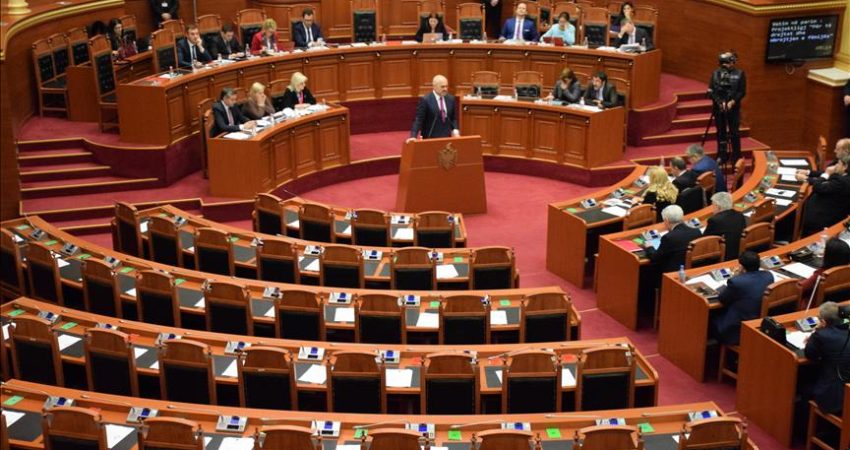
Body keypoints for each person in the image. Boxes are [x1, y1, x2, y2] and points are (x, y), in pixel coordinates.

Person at [711, 251, 775, 345]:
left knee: (709, 316)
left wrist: (735, 277)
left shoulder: (736, 282)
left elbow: (722, 299)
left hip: (736, 331)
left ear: (741, 267)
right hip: (759, 325)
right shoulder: (768, 276)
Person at [804, 301, 850, 415]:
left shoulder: (821, 335)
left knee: (802, 384)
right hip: (847, 390)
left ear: (823, 322)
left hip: (834, 398)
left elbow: (810, 354)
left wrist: (816, 332)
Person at [708, 51, 746, 164]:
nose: (727, 65)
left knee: (734, 132)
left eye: (729, 62)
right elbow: (711, 91)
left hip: (733, 109)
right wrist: (720, 102)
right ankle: (722, 155)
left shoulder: (740, 74)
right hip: (719, 108)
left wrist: (732, 102)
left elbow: (741, 92)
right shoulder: (715, 74)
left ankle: (736, 156)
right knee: (721, 132)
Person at [799, 154, 850, 237]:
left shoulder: (841, 181)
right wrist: (807, 179)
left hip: (822, 219)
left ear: (845, 166)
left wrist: (827, 173)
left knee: (796, 212)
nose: (836, 166)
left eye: (838, 163)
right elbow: (826, 185)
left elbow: (817, 187)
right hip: (833, 213)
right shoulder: (844, 178)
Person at [643, 205, 702, 275]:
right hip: (693, 270)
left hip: (671, 274)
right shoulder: (696, 231)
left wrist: (649, 247)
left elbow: (655, 258)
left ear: (666, 221)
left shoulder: (668, 238)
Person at [408, 74, 460, 141]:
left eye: (446, 86)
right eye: (442, 87)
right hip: (430, 137)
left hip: (446, 137)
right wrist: (413, 136)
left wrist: (455, 130)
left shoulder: (450, 99)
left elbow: (453, 118)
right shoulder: (426, 100)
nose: (445, 89)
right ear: (434, 86)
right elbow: (418, 120)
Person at [703, 192, 746, 261]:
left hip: (724, 255)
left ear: (718, 207)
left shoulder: (714, 220)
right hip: (738, 251)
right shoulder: (740, 215)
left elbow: (705, 239)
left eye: (713, 205)